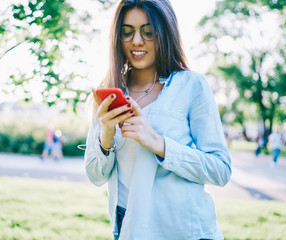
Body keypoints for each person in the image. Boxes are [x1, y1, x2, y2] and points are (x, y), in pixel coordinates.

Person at [84, 1, 232, 239]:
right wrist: (106, 137)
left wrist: (158, 143)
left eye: (148, 31)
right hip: (128, 226)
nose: (137, 41)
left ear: (165, 32)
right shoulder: (110, 94)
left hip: (182, 228)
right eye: (127, 31)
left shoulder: (192, 86)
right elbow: (95, 176)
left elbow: (221, 170)